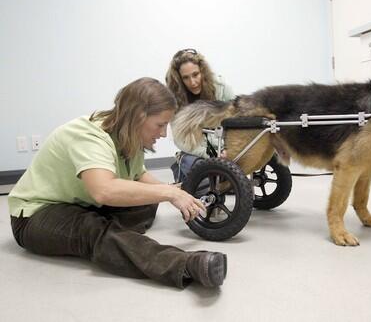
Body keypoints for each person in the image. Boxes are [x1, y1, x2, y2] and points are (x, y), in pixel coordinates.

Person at [8, 77, 227, 289]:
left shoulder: (127, 136)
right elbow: (104, 191)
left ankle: (114, 239)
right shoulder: (88, 135)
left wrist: (177, 192)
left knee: (148, 202)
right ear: (138, 117)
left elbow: (139, 176)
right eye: (160, 125)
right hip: (34, 215)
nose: (163, 134)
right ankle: (186, 265)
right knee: (93, 228)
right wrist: (169, 194)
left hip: (81, 204)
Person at [166, 49, 235, 182]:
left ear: (203, 71)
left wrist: (229, 150)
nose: (192, 82)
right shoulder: (174, 99)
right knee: (199, 169)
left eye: (195, 74)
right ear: (179, 79)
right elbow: (181, 139)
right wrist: (213, 156)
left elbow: (235, 122)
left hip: (224, 149)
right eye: (186, 78)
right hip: (197, 151)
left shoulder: (222, 88)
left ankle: (222, 178)